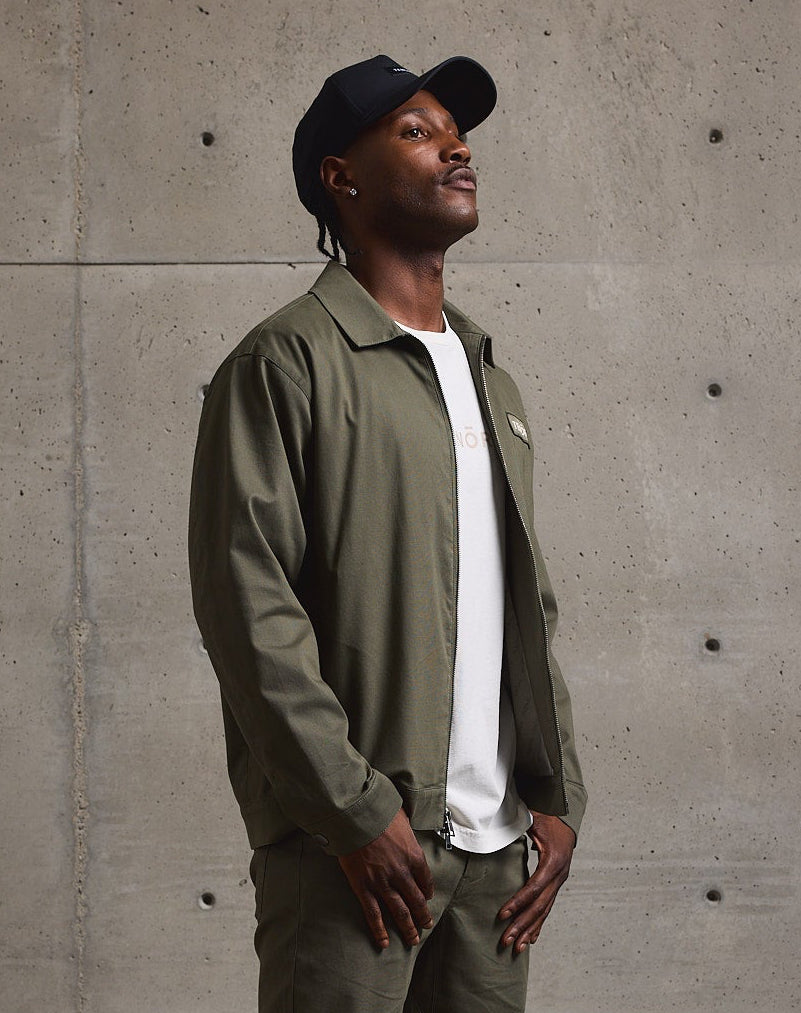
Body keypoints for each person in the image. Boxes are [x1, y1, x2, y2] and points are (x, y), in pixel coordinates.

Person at [188, 54, 587, 1013]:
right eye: (415, 132)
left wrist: (557, 794)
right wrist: (354, 811)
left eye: (457, 134)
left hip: (500, 856)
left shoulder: (491, 378)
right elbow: (248, 607)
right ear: (342, 177)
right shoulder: (286, 362)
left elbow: (524, 606)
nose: (455, 149)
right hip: (355, 852)